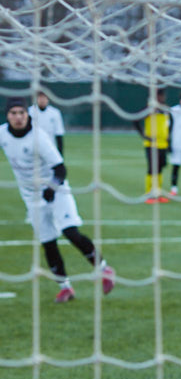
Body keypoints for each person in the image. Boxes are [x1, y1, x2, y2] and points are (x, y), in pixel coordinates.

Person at [0, 97, 114, 303]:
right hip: (31, 198)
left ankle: (104, 269)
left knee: (70, 232)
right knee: (48, 243)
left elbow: (60, 169)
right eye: (13, 113)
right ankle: (65, 288)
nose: (18, 117)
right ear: (7, 115)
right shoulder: (2, 134)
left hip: (56, 190)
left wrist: (52, 187)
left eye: (21, 113)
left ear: (28, 115)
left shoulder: (38, 138)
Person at [134, 89, 171, 204]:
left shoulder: (165, 110)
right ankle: (149, 194)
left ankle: (158, 193)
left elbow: (171, 122)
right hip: (151, 144)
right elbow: (136, 120)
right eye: (159, 96)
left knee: (160, 168)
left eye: (162, 96)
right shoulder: (149, 109)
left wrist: (169, 135)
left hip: (163, 143)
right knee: (152, 168)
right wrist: (144, 135)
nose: (162, 98)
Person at [30, 90, 65, 154]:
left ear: (48, 99)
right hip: (33, 147)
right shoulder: (30, 112)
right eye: (40, 98)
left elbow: (59, 133)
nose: (42, 100)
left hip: (50, 147)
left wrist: (60, 153)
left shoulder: (55, 112)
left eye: (44, 98)